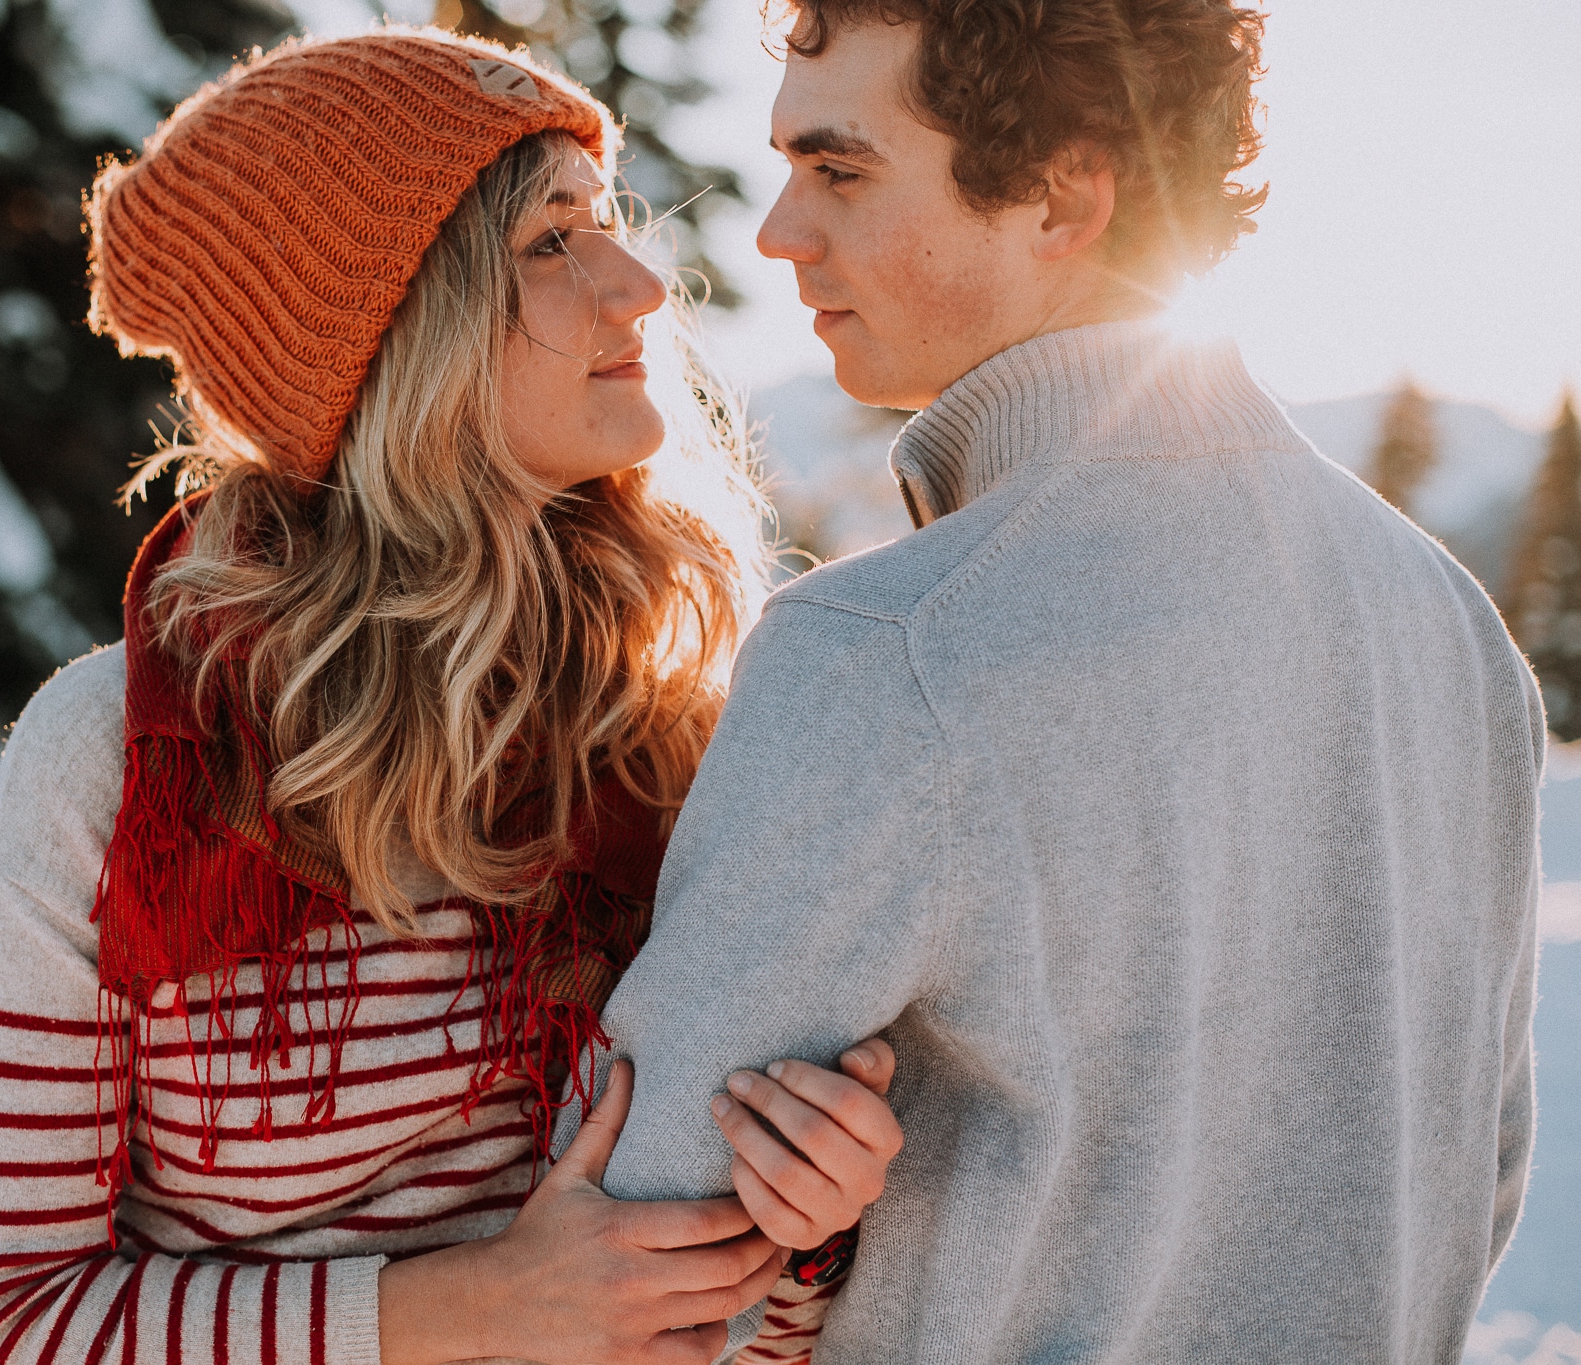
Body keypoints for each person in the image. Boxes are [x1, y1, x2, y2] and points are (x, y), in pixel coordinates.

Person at [0, 29, 905, 1365]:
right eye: (548, 242)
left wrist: (806, 1232)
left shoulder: (679, 729)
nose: (638, 283)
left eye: (606, 221)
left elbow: (743, 1339)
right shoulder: (119, 767)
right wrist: (474, 1305)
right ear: (391, 342)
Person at [581, 0, 1542, 1360]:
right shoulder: (1451, 627)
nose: (780, 230)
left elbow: (641, 1259)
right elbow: (1476, 1167)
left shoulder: (889, 652)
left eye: (840, 168)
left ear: (1063, 193)